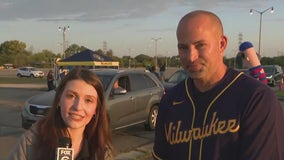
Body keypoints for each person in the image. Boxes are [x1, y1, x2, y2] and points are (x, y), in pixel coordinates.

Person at [152, 10, 284, 160]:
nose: (191, 56)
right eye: (183, 48)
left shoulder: (257, 99)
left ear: (221, 44)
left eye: (200, 45)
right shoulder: (170, 100)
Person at [8, 67, 114, 160]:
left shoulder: (101, 150)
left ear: (96, 109)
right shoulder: (31, 142)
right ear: (59, 99)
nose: (78, 107)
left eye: (88, 100)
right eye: (71, 96)